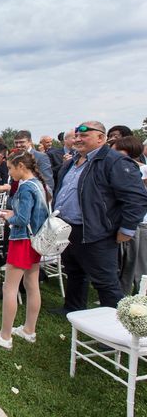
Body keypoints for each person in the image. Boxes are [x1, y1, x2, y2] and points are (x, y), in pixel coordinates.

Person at [53, 121, 147, 313]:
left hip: (97, 231)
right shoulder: (72, 162)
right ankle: (73, 308)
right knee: (74, 272)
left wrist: (127, 229)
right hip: (69, 229)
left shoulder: (114, 161)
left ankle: (115, 329)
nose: (78, 139)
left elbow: (135, 198)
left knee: (105, 282)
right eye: (76, 135)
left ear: (101, 138)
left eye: (84, 135)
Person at [0, 151, 50, 349]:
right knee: (32, 284)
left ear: (21, 166)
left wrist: (7, 217)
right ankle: (29, 329)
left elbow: (22, 219)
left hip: (22, 241)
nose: (9, 173)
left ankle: (4, 336)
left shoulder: (26, 187)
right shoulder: (39, 184)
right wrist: (14, 212)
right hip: (36, 240)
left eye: (10, 168)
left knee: (9, 288)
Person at [111, 136, 147, 294]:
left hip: (137, 222)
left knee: (135, 263)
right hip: (123, 220)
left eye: (115, 150)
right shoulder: (115, 167)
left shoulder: (140, 169)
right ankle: (122, 295)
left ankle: (137, 295)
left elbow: (138, 198)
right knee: (122, 261)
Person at [13, 130, 54, 194]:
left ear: (30, 142)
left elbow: (48, 181)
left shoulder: (41, 157)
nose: (18, 145)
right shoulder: (14, 157)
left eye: (21, 142)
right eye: (16, 143)